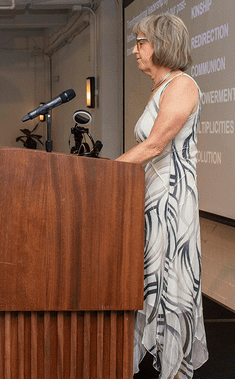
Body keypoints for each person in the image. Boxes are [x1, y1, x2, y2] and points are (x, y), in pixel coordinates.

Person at [116, 14, 207, 379]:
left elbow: (155, 144)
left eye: (141, 42)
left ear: (162, 44)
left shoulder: (182, 85)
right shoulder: (162, 87)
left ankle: (173, 371)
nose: (135, 50)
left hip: (171, 202)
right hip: (153, 198)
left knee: (169, 286)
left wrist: (107, 171)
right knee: (150, 284)